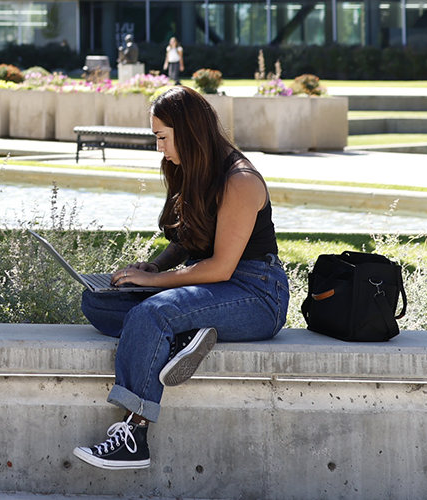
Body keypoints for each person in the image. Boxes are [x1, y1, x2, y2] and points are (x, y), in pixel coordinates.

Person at [72, 86, 289, 470]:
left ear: (188, 132)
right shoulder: (191, 169)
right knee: (99, 303)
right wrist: (151, 268)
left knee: (151, 315)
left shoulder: (240, 180)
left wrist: (153, 286)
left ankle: (134, 436)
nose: (159, 149)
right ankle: (184, 337)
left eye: (162, 138)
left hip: (255, 292)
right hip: (209, 287)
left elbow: (221, 267)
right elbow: (186, 242)